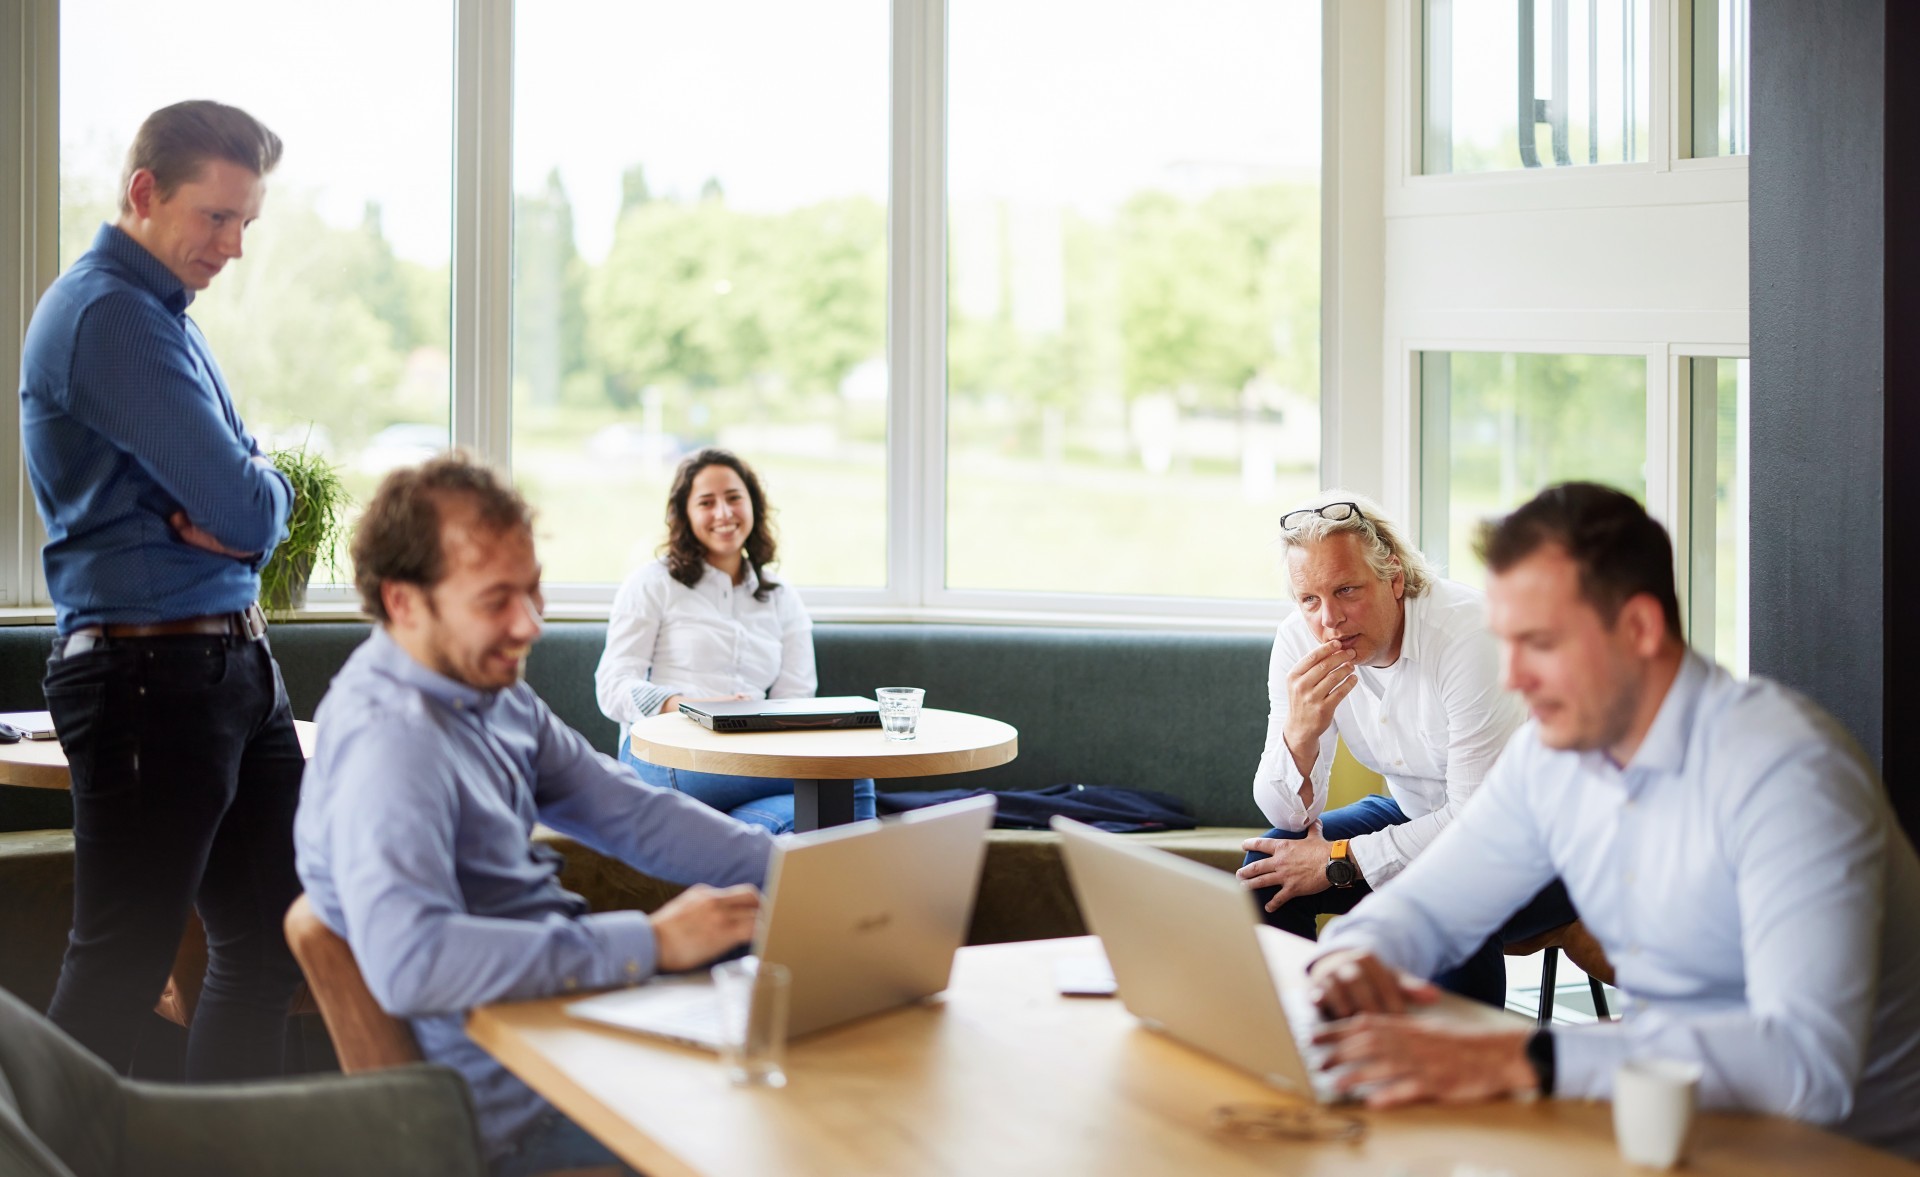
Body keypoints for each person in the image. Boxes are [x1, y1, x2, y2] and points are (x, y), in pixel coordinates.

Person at [1306, 483, 1920, 1161]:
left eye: (1538, 643)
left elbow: (1806, 1065)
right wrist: (1353, 953)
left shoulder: (1789, 776)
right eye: (1505, 643)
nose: (1514, 678)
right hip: (1670, 1135)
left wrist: (1523, 1056)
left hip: (1842, 1155)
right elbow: (1430, 904)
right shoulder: (1552, 756)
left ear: (1639, 629)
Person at [295, 452, 774, 1176]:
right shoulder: (390, 741)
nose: (529, 624)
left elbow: (629, 810)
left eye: (534, 591)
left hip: (583, 1029)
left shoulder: (489, 689)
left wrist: (795, 869)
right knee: (803, 1122)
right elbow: (411, 962)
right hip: (528, 1101)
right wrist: (650, 940)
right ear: (403, 603)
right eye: (495, 600)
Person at [18, 100, 304, 1080]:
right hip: (154, 674)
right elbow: (247, 506)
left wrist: (257, 485)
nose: (232, 247)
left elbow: (249, 502)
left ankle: (222, 1154)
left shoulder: (163, 317)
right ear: (143, 193)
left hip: (229, 665)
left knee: (271, 942)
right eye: (215, 218)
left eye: (246, 224)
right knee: (120, 967)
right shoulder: (110, 316)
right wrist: (256, 487)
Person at [1235, 491, 1576, 1007]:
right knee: (1264, 870)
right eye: (1310, 600)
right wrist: (1299, 735)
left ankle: (1464, 1074)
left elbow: (1475, 825)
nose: (1329, 619)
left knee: (1448, 895)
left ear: (1394, 578)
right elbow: (1288, 813)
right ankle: (1306, 1038)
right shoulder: (1298, 639)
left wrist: (1337, 860)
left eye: (1347, 590)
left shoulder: (1471, 636)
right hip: (1419, 815)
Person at [596, 448, 875, 832]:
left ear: (753, 506)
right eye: (706, 503)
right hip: (668, 759)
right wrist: (689, 706)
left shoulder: (781, 598)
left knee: (804, 821)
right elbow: (612, 687)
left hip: (752, 761)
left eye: (733, 498)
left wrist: (760, 729)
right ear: (685, 514)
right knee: (849, 775)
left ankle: (814, 891)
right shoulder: (653, 584)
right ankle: (869, 895)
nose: (724, 513)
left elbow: (796, 699)